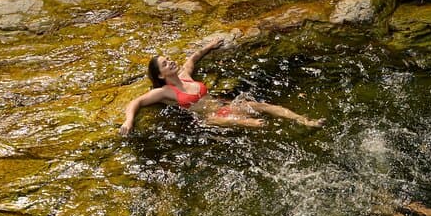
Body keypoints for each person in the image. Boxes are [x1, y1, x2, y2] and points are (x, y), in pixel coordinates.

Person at [118, 36, 322, 135]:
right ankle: (248, 124)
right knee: (249, 122)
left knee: (262, 106)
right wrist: (128, 122)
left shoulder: (186, 76)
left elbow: (193, 58)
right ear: (161, 75)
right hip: (208, 119)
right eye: (165, 64)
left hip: (222, 106)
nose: (170, 61)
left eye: (169, 59)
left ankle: (303, 120)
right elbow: (135, 102)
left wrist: (210, 46)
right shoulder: (164, 91)